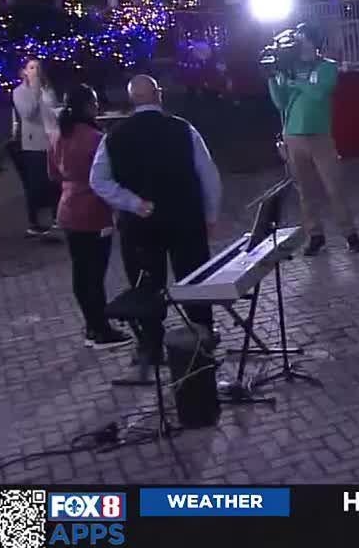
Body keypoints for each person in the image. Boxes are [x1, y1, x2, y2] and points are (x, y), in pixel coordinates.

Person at [89, 75, 222, 377]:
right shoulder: (182, 129)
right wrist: (211, 215)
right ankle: (200, 336)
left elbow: (98, 180)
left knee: (147, 286)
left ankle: (151, 345)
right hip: (185, 218)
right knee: (194, 278)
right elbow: (209, 176)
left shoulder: (114, 135)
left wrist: (132, 202)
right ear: (158, 95)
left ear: (133, 99)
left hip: (140, 225)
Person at [267, 23, 359, 256]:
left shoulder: (326, 67)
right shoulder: (290, 68)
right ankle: (315, 235)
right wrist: (273, 78)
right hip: (293, 136)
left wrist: (295, 83)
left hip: (320, 136)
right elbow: (280, 102)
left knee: (334, 187)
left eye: (301, 39)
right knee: (305, 191)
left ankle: (350, 234)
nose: (297, 44)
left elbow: (320, 92)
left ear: (313, 41)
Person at [48, 84, 130, 349]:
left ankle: (91, 326)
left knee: (81, 273)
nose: (97, 108)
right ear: (86, 106)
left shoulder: (58, 135)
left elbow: (53, 174)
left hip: (68, 209)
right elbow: (110, 174)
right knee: (95, 274)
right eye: (94, 103)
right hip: (93, 210)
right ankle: (101, 329)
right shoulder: (95, 139)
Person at [12, 57, 60, 237]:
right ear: (24, 71)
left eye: (38, 68)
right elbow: (28, 113)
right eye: (31, 67)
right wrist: (34, 91)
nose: (35, 71)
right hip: (34, 143)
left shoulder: (47, 89)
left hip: (52, 139)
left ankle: (57, 218)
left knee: (55, 180)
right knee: (35, 184)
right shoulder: (19, 92)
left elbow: (52, 111)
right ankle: (34, 222)